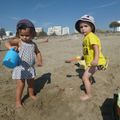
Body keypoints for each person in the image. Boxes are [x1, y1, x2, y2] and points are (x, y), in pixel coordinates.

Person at [5, 19, 42, 108]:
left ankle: (31, 94)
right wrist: (10, 47)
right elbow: (7, 42)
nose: (24, 37)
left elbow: (38, 52)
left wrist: (39, 60)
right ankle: (18, 101)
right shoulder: (19, 41)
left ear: (32, 34)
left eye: (27, 35)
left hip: (30, 68)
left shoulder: (33, 44)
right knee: (20, 85)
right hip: (20, 68)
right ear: (18, 34)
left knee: (31, 83)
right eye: (22, 35)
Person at [74, 15, 107, 101]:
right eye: (81, 27)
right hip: (91, 62)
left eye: (86, 26)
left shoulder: (91, 36)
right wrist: (81, 57)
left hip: (96, 62)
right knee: (87, 74)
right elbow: (87, 51)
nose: (83, 29)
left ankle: (88, 94)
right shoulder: (86, 37)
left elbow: (96, 48)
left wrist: (96, 59)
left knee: (84, 78)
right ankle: (90, 81)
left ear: (92, 27)